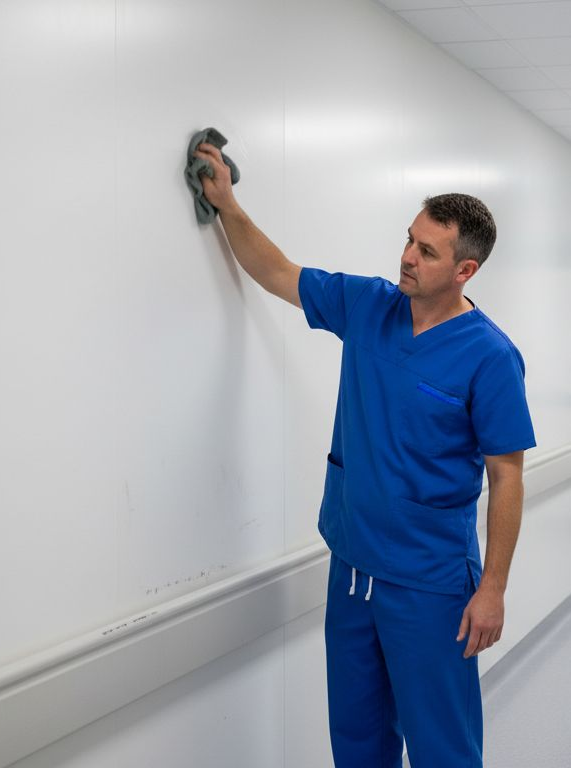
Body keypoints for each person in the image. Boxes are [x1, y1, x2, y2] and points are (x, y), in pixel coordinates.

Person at [193, 143, 534, 767]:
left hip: (430, 585)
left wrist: (494, 589)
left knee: (441, 748)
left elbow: (507, 476)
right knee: (356, 740)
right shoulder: (369, 306)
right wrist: (226, 204)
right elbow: (275, 271)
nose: (407, 257)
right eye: (409, 238)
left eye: (427, 251)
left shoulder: (489, 356)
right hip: (351, 570)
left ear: (464, 270)